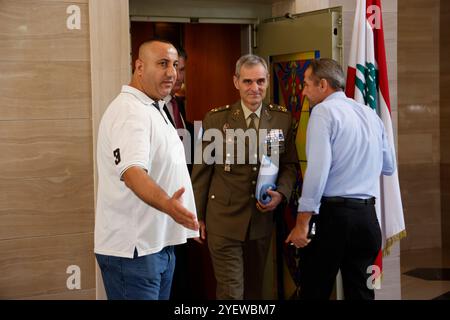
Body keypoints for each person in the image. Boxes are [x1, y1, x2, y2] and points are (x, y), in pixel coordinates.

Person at [94, 39, 199, 300]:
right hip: (134, 251)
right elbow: (132, 174)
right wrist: (169, 205)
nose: (172, 72)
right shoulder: (129, 111)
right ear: (139, 67)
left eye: (175, 65)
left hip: (158, 244)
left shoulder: (155, 107)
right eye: (162, 64)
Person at [285, 58, 396, 300]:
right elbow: (388, 166)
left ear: (323, 84)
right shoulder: (369, 113)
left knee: (314, 290)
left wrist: (302, 223)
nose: (303, 91)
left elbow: (317, 171)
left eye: (306, 84)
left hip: (333, 219)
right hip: (367, 219)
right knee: (362, 294)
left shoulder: (323, 112)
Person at [192, 54, 298, 300]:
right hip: (223, 220)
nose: (255, 88)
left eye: (260, 81)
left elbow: (289, 165)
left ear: (268, 81)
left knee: (253, 291)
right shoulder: (216, 119)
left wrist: (281, 194)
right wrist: (196, 217)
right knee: (231, 292)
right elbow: (201, 171)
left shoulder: (281, 119)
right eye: (248, 81)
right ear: (236, 82)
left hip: (260, 222)